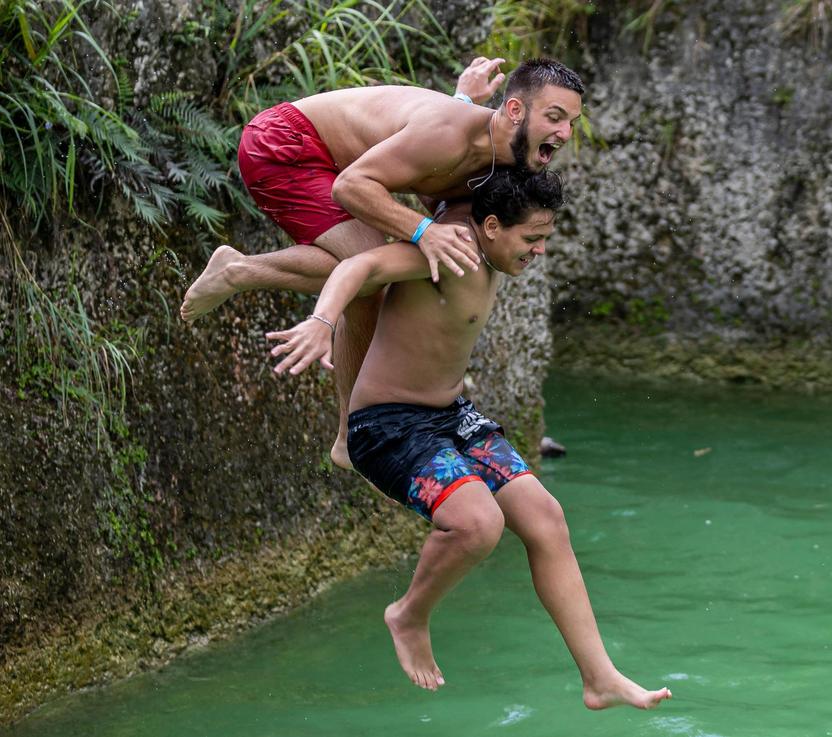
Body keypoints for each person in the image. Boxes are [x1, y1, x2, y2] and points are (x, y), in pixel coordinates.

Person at [264, 168, 672, 710]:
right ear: (493, 227)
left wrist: (468, 95)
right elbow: (360, 264)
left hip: (450, 416)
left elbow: (472, 158)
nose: (540, 251)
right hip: (385, 426)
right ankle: (408, 615)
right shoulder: (446, 252)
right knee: (478, 523)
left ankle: (599, 677)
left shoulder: (488, 229)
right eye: (532, 239)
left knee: (545, 517)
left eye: (546, 238)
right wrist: (321, 320)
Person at [180, 57, 584, 468]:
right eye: (555, 117)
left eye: (572, 121)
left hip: (337, 159)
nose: (565, 133)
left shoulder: (507, 155)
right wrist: (424, 231)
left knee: (373, 280)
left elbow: (440, 164)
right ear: (515, 110)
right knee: (367, 272)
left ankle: (346, 438)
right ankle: (238, 271)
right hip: (285, 145)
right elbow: (352, 186)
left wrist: (461, 99)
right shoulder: (447, 135)